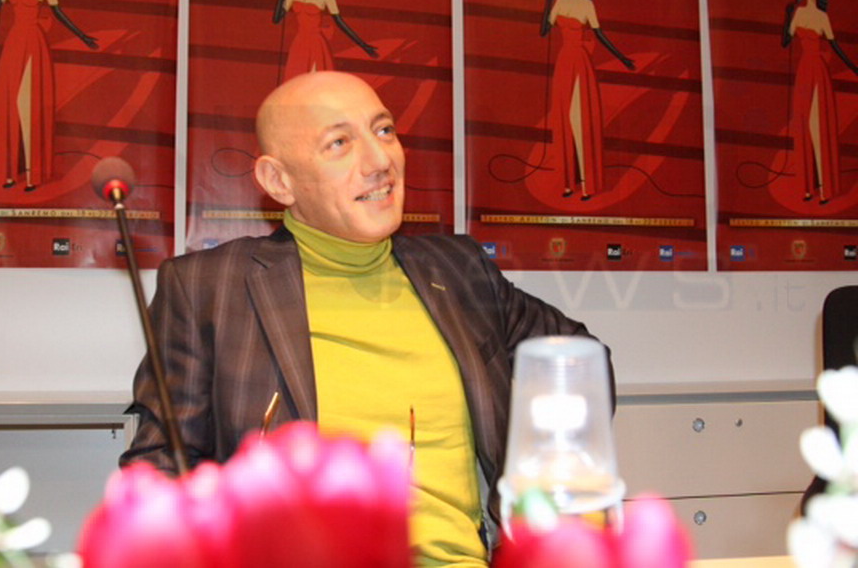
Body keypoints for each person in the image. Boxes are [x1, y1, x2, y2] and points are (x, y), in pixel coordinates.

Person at [122, 72, 611, 566]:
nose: (380, 161)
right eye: (339, 143)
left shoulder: (459, 272)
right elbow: (161, 468)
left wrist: (544, 502)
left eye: (384, 131)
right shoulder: (210, 287)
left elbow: (583, 364)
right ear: (278, 181)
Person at [0, 0, 97, 192]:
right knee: (9, 105)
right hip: (14, 43)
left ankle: (31, 175)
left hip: (33, 44)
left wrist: (82, 36)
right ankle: (9, 173)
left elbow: (58, 13)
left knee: (26, 106)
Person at [540, 0, 634, 201]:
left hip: (580, 63)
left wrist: (623, 58)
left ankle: (585, 184)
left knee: (578, 121)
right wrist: (548, 2)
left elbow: (600, 35)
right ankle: (567, 182)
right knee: (563, 121)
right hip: (564, 62)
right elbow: (544, 31)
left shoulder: (587, 5)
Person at [781, 0, 858, 204]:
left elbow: (835, 46)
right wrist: (787, 14)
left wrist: (855, 69)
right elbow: (785, 42)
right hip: (804, 71)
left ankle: (824, 188)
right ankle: (807, 187)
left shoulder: (823, 17)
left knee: (816, 127)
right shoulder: (798, 12)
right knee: (803, 126)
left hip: (818, 72)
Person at [272, 0, 378, 83]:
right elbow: (277, 18)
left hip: (317, 46)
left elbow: (339, 22)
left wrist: (363, 45)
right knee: (296, 86)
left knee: (314, 86)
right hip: (299, 46)